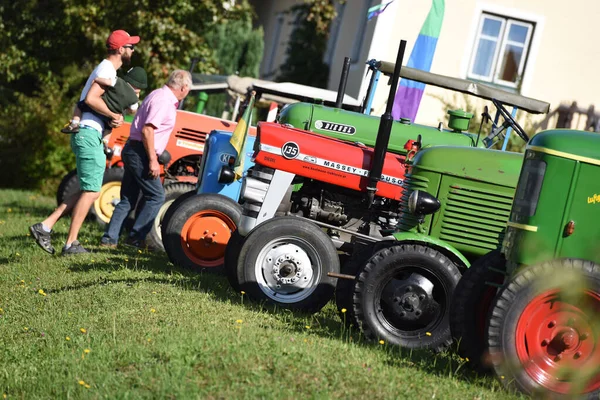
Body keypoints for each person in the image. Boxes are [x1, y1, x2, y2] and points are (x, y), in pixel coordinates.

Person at [29, 29, 140, 255]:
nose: (133, 50)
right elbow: (89, 99)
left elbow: (86, 103)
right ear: (121, 49)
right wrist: (112, 115)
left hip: (89, 133)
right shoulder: (106, 69)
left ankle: (45, 226)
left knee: (88, 190)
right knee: (91, 191)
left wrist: (112, 116)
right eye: (130, 46)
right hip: (89, 134)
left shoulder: (108, 70)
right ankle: (71, 243)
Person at [100, 69, 192, 248]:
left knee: (128, 199)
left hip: (135, 149)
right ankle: (135, 238)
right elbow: (147, 130)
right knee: (156, 196)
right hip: (141, 152)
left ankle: (109, 239)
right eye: (188, 88)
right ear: (184, 87)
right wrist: (152, 160)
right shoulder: (164, 101)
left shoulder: (158, 95)